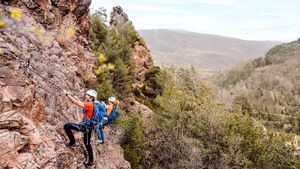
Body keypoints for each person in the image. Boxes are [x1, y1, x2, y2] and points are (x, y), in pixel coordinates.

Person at [63, 89, 97, 166]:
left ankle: (72, 143)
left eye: (88, 95)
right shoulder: (93, 104)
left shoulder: (89, 105)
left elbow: (76, 103)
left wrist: (67, 94)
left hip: (85, 126)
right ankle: (91, 160)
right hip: (90, 126)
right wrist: (77, 99)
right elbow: (82, 104)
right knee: (87, 143)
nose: (86, 95)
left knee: (67, 126)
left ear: (91, 97)